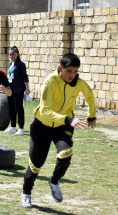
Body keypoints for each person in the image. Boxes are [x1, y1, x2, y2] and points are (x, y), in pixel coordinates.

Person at [20, 53, 97, 208]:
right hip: (42, 125)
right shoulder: (50, 81)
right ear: (59, 68)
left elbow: (89, 96)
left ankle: (54, 181)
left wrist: (91, 116)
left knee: (66, 153)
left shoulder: (79, 83)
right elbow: (45, 111)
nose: (72, 75)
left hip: (63, 126)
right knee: (35, 165)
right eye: (69, 71)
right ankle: (26, 193)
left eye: (75, 71)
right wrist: (69, 119)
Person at [4, 46, 30, 136]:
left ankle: (21, 128)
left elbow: (25, 76)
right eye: (10, 54)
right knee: (11, 107)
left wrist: (27, 88)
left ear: (17, 54)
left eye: (13, 54)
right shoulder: (10, 64)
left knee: (18, 108)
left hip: (18, 89)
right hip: (10, 89)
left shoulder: (20, 64)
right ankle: (12, 126)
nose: (11, 56)